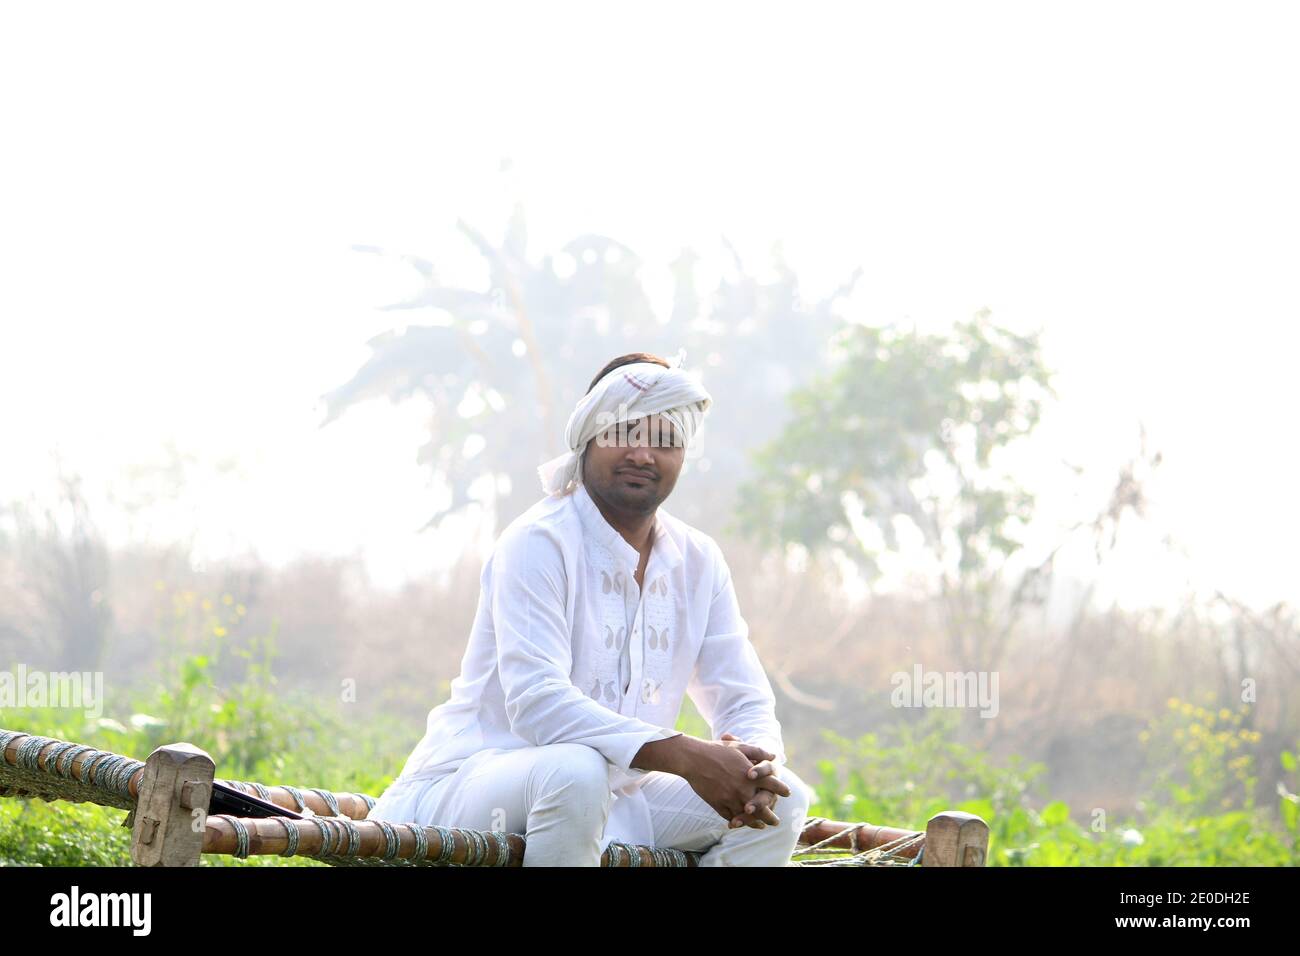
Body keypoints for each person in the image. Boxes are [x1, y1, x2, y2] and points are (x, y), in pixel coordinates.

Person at [366, 349, 814, 865]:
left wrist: (755, 768)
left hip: (616, 797)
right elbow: (538, 703)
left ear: (685, 454)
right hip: (471, 789)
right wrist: (685, 755)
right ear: (587, 439)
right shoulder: (539, 541)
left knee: (786, 796)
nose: (643, 455)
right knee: (576, 771)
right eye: (623, 432)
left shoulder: (699, 561)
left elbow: (743, 698)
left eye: (665, 441)